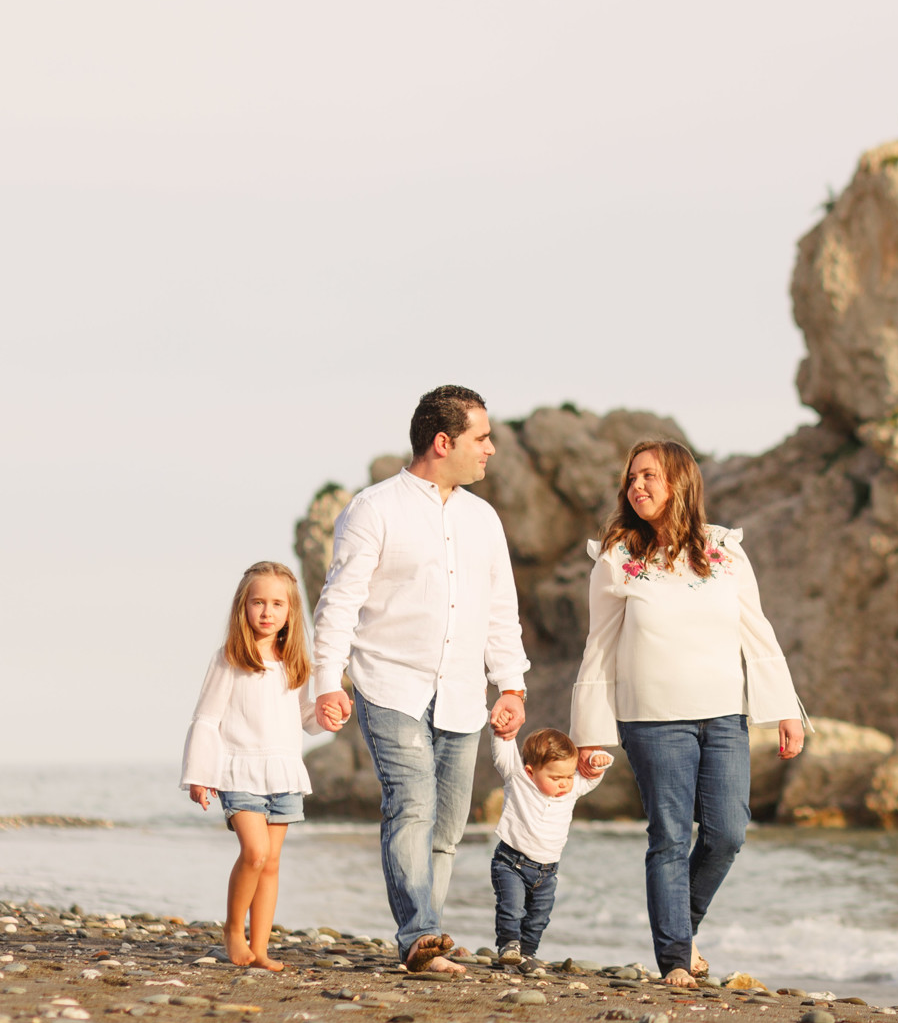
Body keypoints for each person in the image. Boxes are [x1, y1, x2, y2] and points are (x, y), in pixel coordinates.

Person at [571, 439, 807, 987]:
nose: (637, 486)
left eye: (650, 476)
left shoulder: (723, 550)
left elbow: (758, 630)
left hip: (725, 714)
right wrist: (591, 732)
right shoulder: (617, 557)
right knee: (670, 836)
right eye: (632, 478)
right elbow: (599, 646)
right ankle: (676, 960)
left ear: (681, 481)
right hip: (651, 719)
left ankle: (682, 925)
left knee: (727, 833)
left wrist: (786, 709)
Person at [312, 384, 531, 975]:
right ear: (444, 441)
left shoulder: (483, 520)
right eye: (481, 439)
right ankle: (420, 934)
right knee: (411, 804)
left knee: (449, 827)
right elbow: (338, 604)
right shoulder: (374, 508)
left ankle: (424, 937)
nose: (490, 450)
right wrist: (328, 682)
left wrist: (511, 685)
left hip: (463, 692)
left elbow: (499, 610)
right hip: (390, 685)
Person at [181, 561, 322, 971]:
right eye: (258, 602)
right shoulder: (230, 658)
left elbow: (306, 718)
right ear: (242, 607)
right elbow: (206, 719)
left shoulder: (294, 663)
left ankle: (260, 949)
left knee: (273, 862)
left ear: (291, 612)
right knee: (255, 853)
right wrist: (198, 775)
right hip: (238, 769)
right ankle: (232, 930)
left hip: (283, 773)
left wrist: (330, 714)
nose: (267, 612)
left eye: (278, 604)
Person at [489, 728, 613, 972]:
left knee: (538, 918)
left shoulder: (572, 788)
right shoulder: (519, 779)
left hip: (547, 872)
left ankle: (526, 954)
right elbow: (503, 751)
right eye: (556, 778)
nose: (564, 783)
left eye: (568, 776)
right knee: (511, 908)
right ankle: (508, 946)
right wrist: (503, 727)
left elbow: (591, 777)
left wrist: (599, 760)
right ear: (531, 771)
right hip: (511, 863)